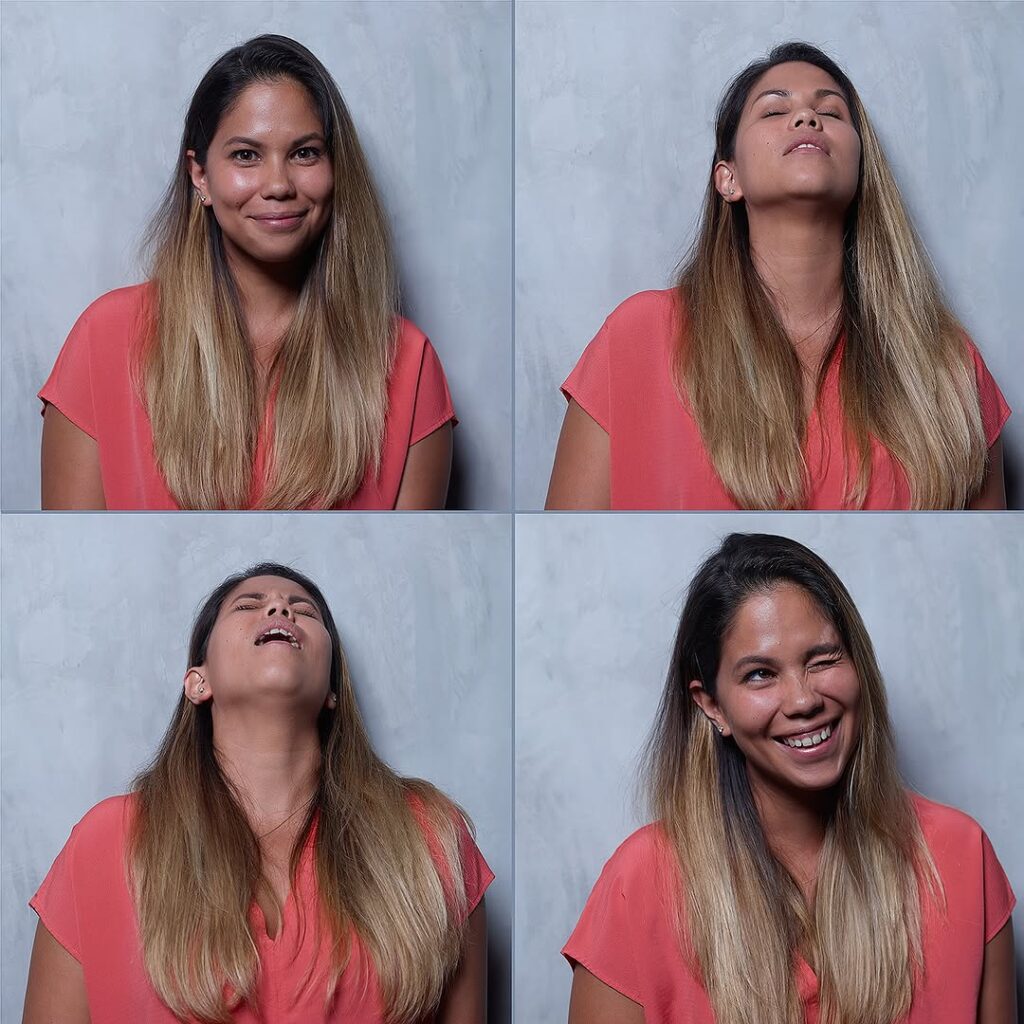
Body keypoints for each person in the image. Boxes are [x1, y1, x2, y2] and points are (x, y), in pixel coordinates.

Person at [564, 534, 1016, 1024]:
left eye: (822, 660)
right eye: (760, 674)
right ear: (712, 705)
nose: (803, 700)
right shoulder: (641, 883)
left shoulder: (963, 858)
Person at [547, 42, 1010, 511]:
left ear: (861, 166)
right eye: (774, 111)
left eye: (831, 111)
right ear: (728, 179)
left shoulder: (947, 365)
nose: (807, 118)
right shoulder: (637, 338)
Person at [23, 563, 490, 1023]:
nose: (279, 608)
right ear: (198, 681)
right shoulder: (105, 843)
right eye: (249, 605)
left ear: (333, 689)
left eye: (303, 610)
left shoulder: (428, 839)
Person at [40, 36, 455, 510]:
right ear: (200, 175)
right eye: (245, 155)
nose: (278, 185)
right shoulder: (104, 340)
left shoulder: (407, 363)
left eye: (305, 153)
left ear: (336, 168)